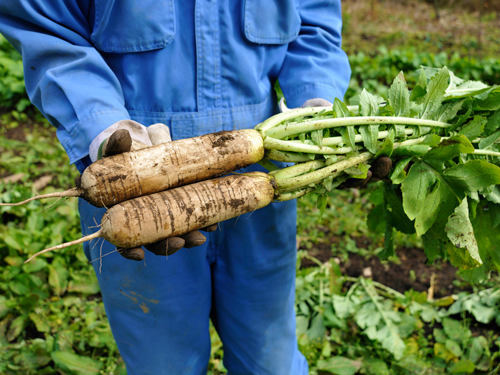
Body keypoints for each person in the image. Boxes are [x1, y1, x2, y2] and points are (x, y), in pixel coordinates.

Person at [0, 1, 351, 374]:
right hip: (135, 173)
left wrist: (318, 109)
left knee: (270, 357)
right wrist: (102, 131)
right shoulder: (124, 160)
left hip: (262, 182)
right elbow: (48, 24)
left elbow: (315, 22)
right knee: (163, 362)